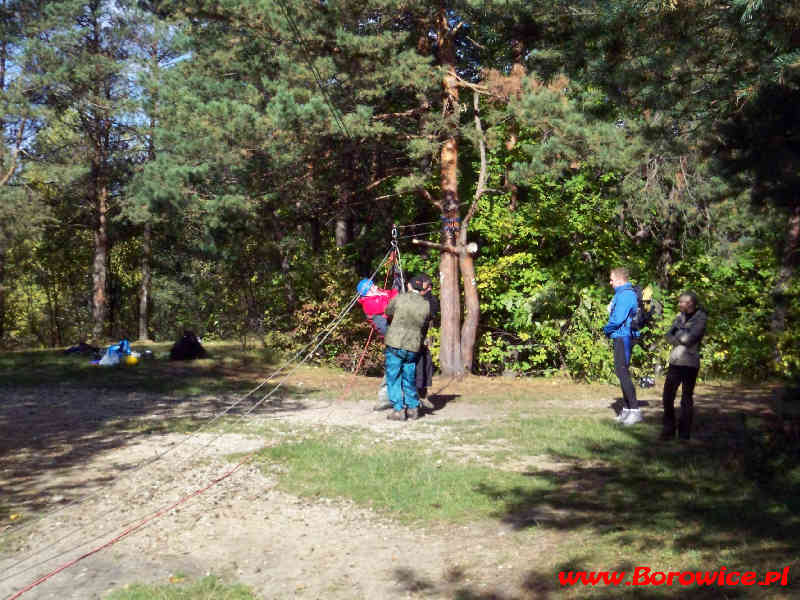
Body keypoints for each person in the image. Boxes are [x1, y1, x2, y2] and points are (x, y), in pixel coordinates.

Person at [660, 291, 707, 441]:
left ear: (690, 304)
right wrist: (681, 334)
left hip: (690, 363)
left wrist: (678, 333)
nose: (679, 304)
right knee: (667, 396)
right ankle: (668, 429)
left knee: (686, 398)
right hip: (675, 361)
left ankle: (684, 433)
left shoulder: (701, 318)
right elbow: (668, 337)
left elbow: (690, 339)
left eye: (682, 302)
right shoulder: (679, 317)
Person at [383, 281, 430, 421]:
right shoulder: (425, 304)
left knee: (393, 376)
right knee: (409, 377)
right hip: (413, 346)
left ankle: (398, 409)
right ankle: (413, 408)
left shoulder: (400, 298)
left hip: (396, 344)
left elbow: (387, 311)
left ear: (409, 286)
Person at [602, 267, 641, 425]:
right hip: (620, 336)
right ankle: (626, 410)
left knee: (622, 372)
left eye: (611, 279)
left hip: (623, 337)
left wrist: (606, 329)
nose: (610, 283)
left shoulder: (625, 295)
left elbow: (618, 319)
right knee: (621, 371)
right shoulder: (621, 294)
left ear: (619, 280)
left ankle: (635, 410)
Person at [408, 273, 439, 411]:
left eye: (422, 285)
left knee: (422, 364)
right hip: (407, 338)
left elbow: (429, 313)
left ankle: (422, 396)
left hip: (418, 337)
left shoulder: (430, 300)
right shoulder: (414, 297)